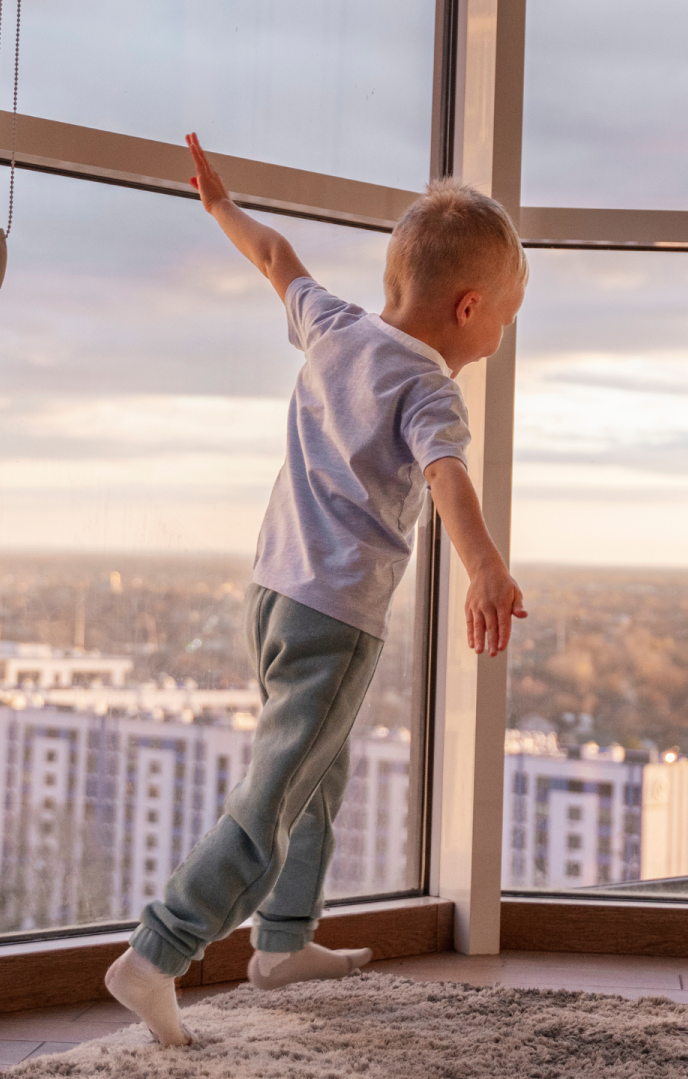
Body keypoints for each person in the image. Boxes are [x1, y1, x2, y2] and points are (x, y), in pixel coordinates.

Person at [103, 134, 530, 1047]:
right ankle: (156, 952)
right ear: (467, 307)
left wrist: (219, 206)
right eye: (504, 317)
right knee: (272, 799)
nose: (501, 334)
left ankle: (283, 944)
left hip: (270, 596)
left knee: (316, 775)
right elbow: (448, 478)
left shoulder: (334, 327)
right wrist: (486, 568)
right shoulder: (429, 388)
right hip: (335, 617)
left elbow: (274, 258)